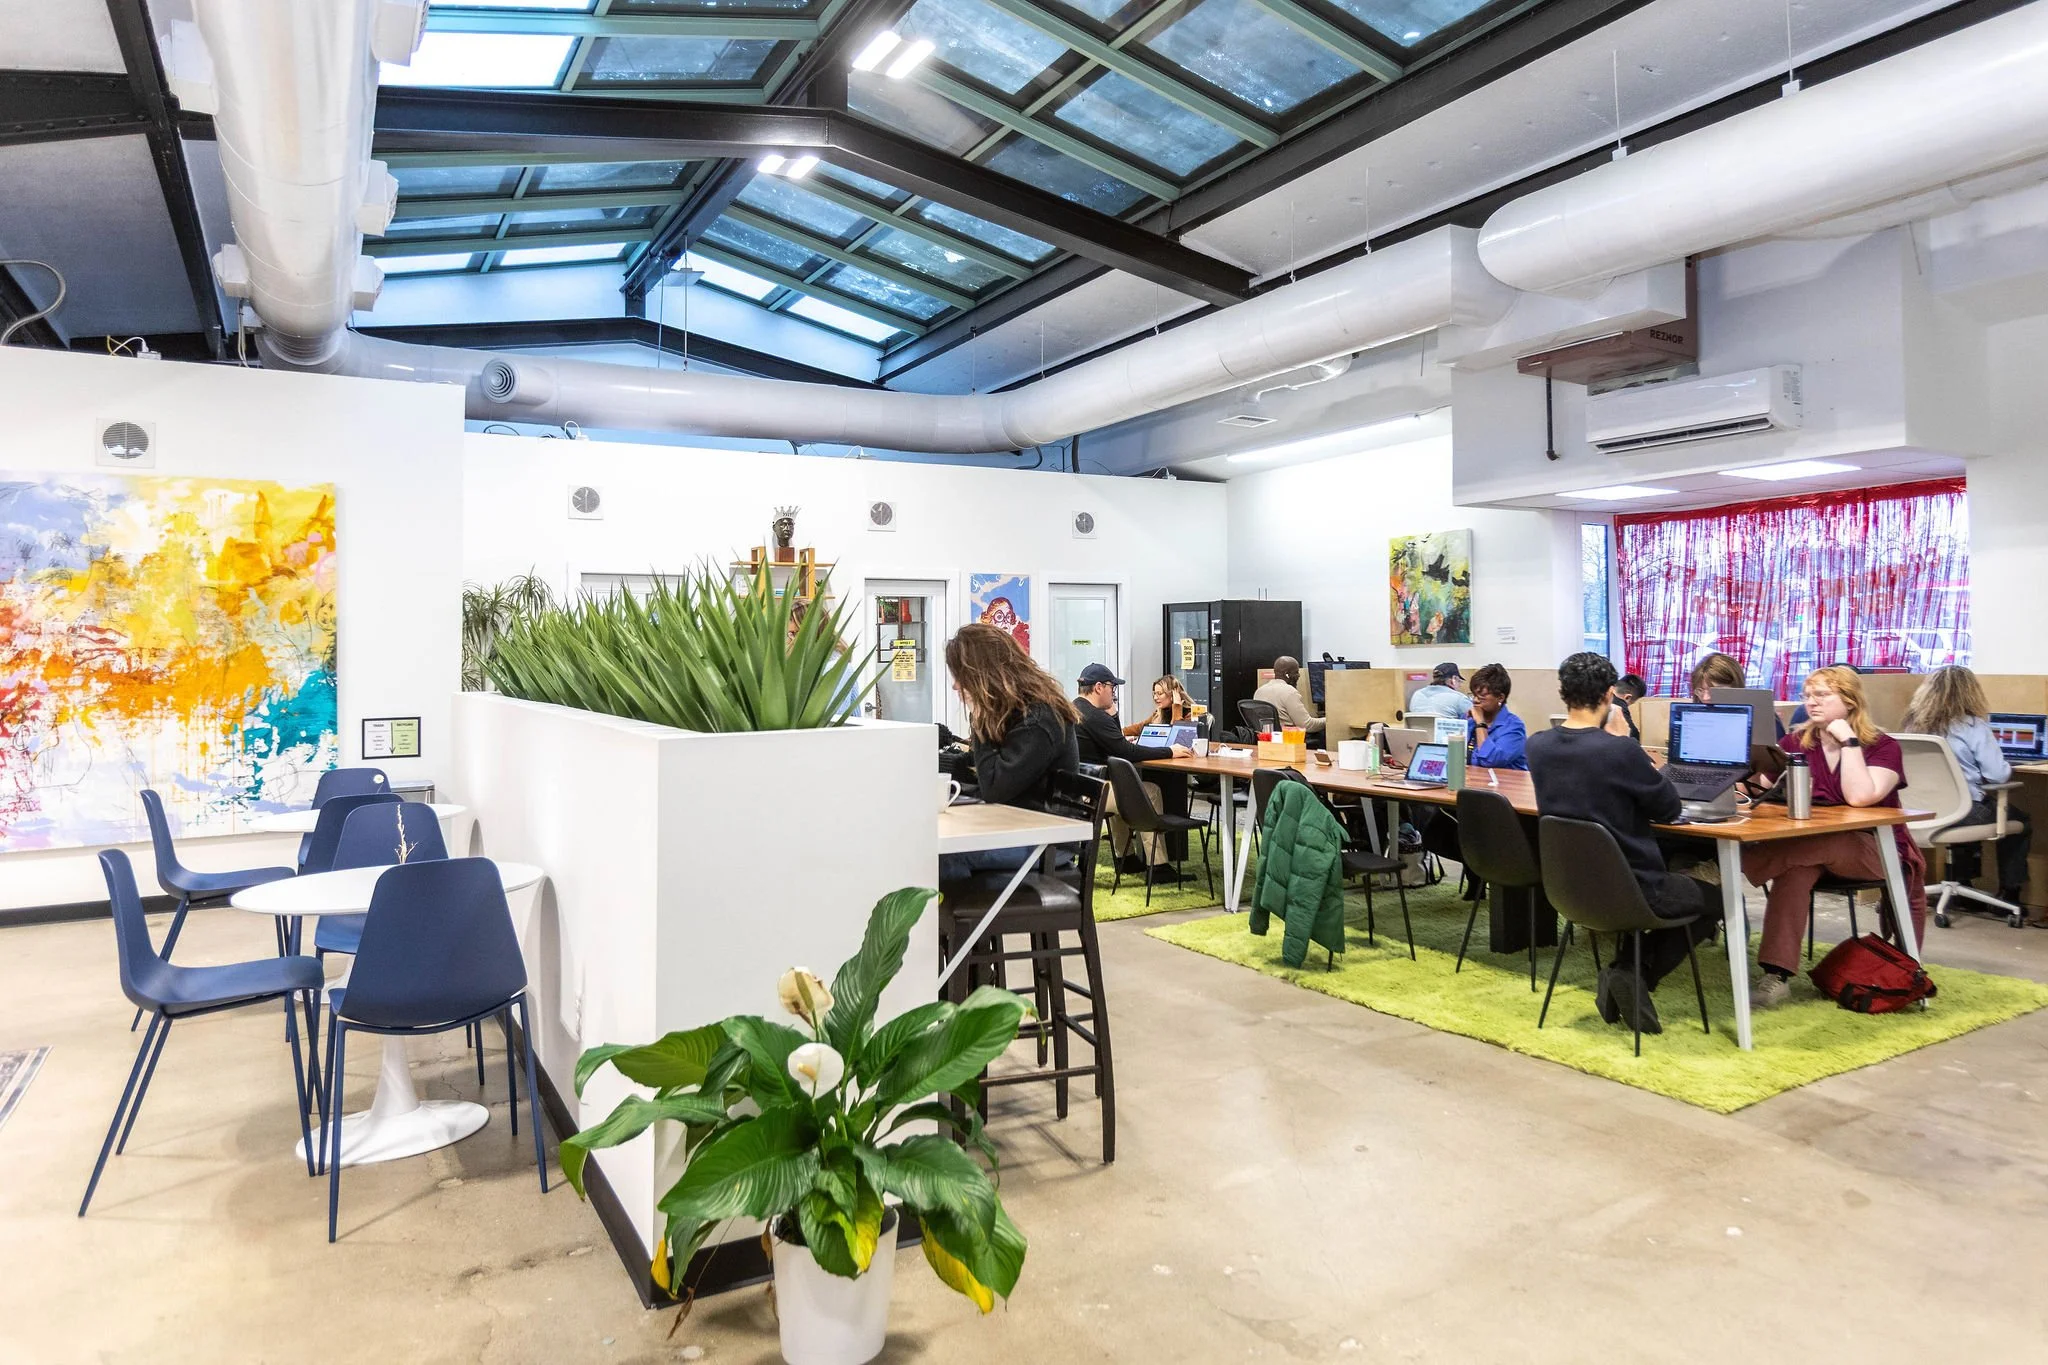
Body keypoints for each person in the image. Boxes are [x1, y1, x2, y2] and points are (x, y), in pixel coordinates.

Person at [1526, 652, 1718, 1035]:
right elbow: (1668, 808)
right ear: (1609, 695)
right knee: (1716, 901)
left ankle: (1627, 974)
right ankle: (1632, 973)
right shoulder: (1619, 750)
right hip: (1635, 887)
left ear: (1563, 693)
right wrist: (1624, 741)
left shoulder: (1538, 746)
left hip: (1569, 888)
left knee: (1677, 890)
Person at [1739, 666, 1928, 1010]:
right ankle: (1776, 976)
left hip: (1875, 851)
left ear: (1850, 701)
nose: (1811, 702)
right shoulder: (1796, 743)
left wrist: (1849, 742)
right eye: (1808, 695)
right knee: (1796, 870)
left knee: (1823, 842)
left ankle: (1728, 867)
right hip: (1812, 850)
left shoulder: (1882, 747)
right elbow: (1761, 788)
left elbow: (1860, 797)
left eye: (1823, 695)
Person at [940, 623, 1079, 880]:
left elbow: (995, 786)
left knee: (939, 855)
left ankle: (968, 908)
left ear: (982, 674)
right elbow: (983, 767)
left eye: (960, 676)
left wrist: (979, 719)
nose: (956, 686)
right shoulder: (1017, 711)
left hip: (1045, 843)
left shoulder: (1040, 718)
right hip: (1016, 827)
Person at [1901, 665, 2033, 908]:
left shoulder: (1913, 726)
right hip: (1962, 812)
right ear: (1970, 692)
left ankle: (1963, 887)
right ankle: (2009, 893)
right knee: (2020, 821)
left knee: (1974, 809)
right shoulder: (1972, 726)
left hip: (1920, 812)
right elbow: (1998, 775)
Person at [1073, 663, 1193, 876]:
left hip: (1083, 788)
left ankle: (1125, 859)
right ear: (1099, 687)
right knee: (1149, 791)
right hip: (1095, 793)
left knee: (1125, 788)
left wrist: (1113, 716)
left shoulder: (1077, 708)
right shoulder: (1095, 716)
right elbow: (1127, 751)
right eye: (1112, 687)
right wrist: (1170, 751)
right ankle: (1158, 866)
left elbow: (1117, 743)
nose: (1114, 693)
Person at [1466, 664, 1528, 771]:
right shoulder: (1469, 721)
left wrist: (1480, 723)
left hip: (1505, 781)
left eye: (1482, 696)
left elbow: (1490, 760)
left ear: (1500, 697)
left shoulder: (1514, 727)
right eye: (1474, 695)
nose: (1475, 700)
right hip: (1473, 779)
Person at [1253, 656, 1324, 736]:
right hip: (1289, 739)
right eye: (1296, 672)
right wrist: (1328, 720)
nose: (1298, 675)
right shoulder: (1290, 692)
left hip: (1267, 739)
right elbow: (1307, 725)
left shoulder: (1259, 691)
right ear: (1287, 674)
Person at [1123, 674, 1200, 737]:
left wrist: (1177, 707)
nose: (1155, 698)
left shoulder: (1190, 714)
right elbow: (1140, 728)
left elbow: (1176, 736)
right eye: (1154, 694)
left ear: (1173, 694)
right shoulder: (1159, 712)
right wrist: (1119, 733)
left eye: (1159, 694)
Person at [1406, 662, 1472, 721]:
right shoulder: (1460, 698)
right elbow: (1473, 719)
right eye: (1459, 681)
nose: (1460, 685)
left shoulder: (1417, 694)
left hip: (1420, 731)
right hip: (1448, 731)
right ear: (1454, 679)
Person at [1612, 673, 1647, 741]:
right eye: (1631, 703)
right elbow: (1633, 735)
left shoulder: (1601, 694)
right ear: (1627, 697)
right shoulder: (1619, 705)